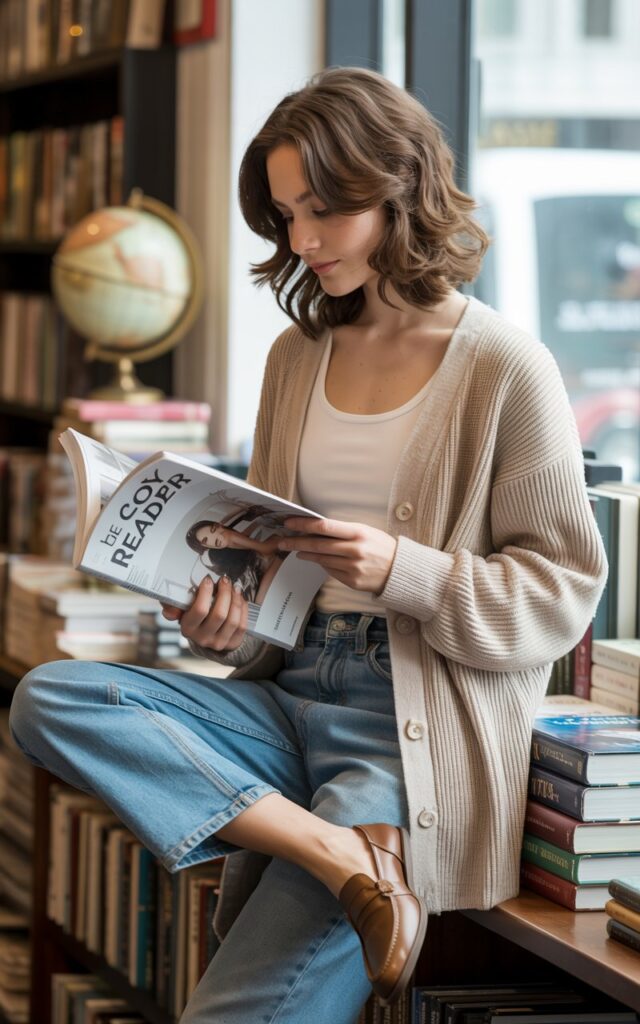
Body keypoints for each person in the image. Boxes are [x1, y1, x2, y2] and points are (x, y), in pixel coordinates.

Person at [9, 67, 606, 1023]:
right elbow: (276, 577)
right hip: (285, 699)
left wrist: (399, 570)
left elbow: (561, 592)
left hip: (401, 738)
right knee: (50, 697)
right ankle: (343, 855)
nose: (302, 242)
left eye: (325, 210)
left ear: (400, 186)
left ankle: (364, 845)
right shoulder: (297, 357)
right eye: (287, 215)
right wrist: (225, 625)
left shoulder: (506, 368)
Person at [186, 513, 283, 602]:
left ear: (218, 526)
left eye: (213, 530)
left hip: (256, 573)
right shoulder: (214, 553)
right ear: (204, 546)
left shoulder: (229, 537)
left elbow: (265, 548)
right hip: (245, 579)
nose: (214, 538)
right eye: (205, 541)